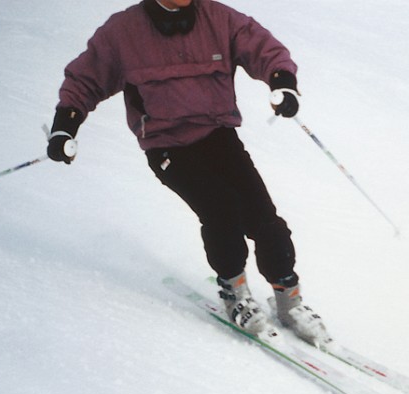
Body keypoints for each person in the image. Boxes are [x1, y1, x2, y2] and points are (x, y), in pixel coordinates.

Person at [46, 0, 331, 346]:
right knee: (221, 210)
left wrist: (281, 80)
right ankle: (236, 294)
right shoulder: (123, 32)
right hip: (168, 147)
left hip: (218, 136)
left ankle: (289, 300)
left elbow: (262, 46)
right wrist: (65, 127)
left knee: (263, 217)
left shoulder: (219, 19)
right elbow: (85, 79)